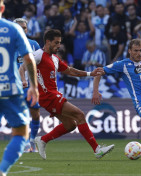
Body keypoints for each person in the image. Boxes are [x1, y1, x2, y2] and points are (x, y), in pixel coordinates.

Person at [33, 29, 114, 160]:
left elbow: (70, 71)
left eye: (60, 42)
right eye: (56, 43)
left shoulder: (54, 59)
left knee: (70, 125)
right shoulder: (38, 55)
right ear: (47, 42)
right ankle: (97, 150)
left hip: (53, 95)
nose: (59, 45)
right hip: (48, 96)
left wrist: (89, 74)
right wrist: (24, 80)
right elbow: (24, 66)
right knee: (80, 115)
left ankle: (42, 140)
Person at [0, 0, 39, 175]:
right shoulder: (12, 30)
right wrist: (34, 86)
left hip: (16, 88)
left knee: (33, 115)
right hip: (12, 89)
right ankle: (2, 170)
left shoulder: (30, 40)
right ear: (2, 8)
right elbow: (29, 60)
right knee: (20, 133)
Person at [14, 18, 41, 153]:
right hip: (16, 87)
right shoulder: (7, 46)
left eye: (24, 28)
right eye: (20, 27)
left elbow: (40, 64)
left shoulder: (34, 44)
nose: (23, 30)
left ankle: (32, 141)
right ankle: (24, 143)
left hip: (32, 87)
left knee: (35, 115)